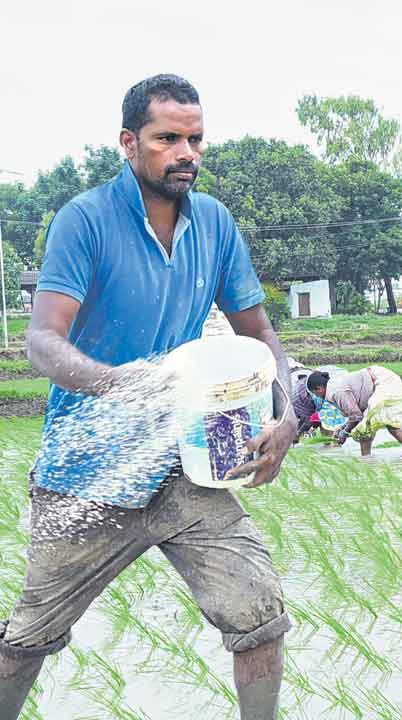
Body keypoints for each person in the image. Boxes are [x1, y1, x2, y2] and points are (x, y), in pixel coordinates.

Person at [0, 75, 294, 719]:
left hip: (185, 462)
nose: (185, 152)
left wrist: (288, 413)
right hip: (89, 474)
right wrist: (123, 384)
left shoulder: (213, 223)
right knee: (28, 640)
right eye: (167, 139)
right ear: (130, 143)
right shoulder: (86, 220)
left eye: (195, 139)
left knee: (259, 616)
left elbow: (260, 334)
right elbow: (43, 343)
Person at [307, 366, 402, 456]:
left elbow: (356, 416)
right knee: (392, 426)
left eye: (314, 393)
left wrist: (344, 433)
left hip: (383, 382)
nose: (316, 396)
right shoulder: (333, 387)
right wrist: (342, 428)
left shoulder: (336, 392)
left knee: (364, 429)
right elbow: (355, 415)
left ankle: (366, 462)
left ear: (319, 389)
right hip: (387, 380)